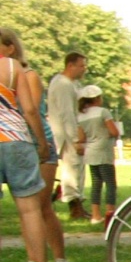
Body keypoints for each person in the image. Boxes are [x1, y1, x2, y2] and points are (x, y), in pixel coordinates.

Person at [0, 26, 54, 262]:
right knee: (30, 208)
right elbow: (30, 109)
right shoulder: (13, 67)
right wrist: (41, 142)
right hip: (16, 139)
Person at [45, 52, 87, 222]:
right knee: (73, 170)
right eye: (81, 65)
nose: (84, 69)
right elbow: (67, 114)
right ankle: (74, 207)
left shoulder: (68, 83)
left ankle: (69, 200)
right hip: (65, 134)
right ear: (70, 65)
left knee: (75, 169)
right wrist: (75, 139)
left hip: (64, 132)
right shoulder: (63, 84)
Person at [76, 84, 121, 223]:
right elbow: (114, 132)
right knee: (110, 184)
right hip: (103, 151)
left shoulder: (81, 116)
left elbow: (81, 138)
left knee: (96, 184)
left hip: (90, 152)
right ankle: (110, 215)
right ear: (97, 98)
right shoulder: (103, 112)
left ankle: (95, 216)